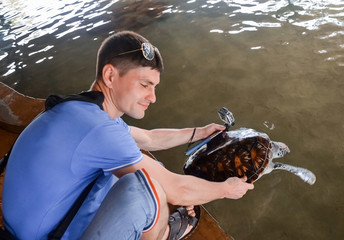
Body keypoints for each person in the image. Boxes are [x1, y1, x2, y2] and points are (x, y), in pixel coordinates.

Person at [2, 31, 254, 240]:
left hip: (25, 228)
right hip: (45, 235)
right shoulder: (100, 130)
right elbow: (177, 190)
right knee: (150, 189)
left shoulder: (81, 110)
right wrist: (226, 189)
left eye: (154, 87)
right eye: (145, 85)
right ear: (110, 76)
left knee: (143, 167)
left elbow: (148, 139)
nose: (152, 97)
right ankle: (166, 233)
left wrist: (200, 132)